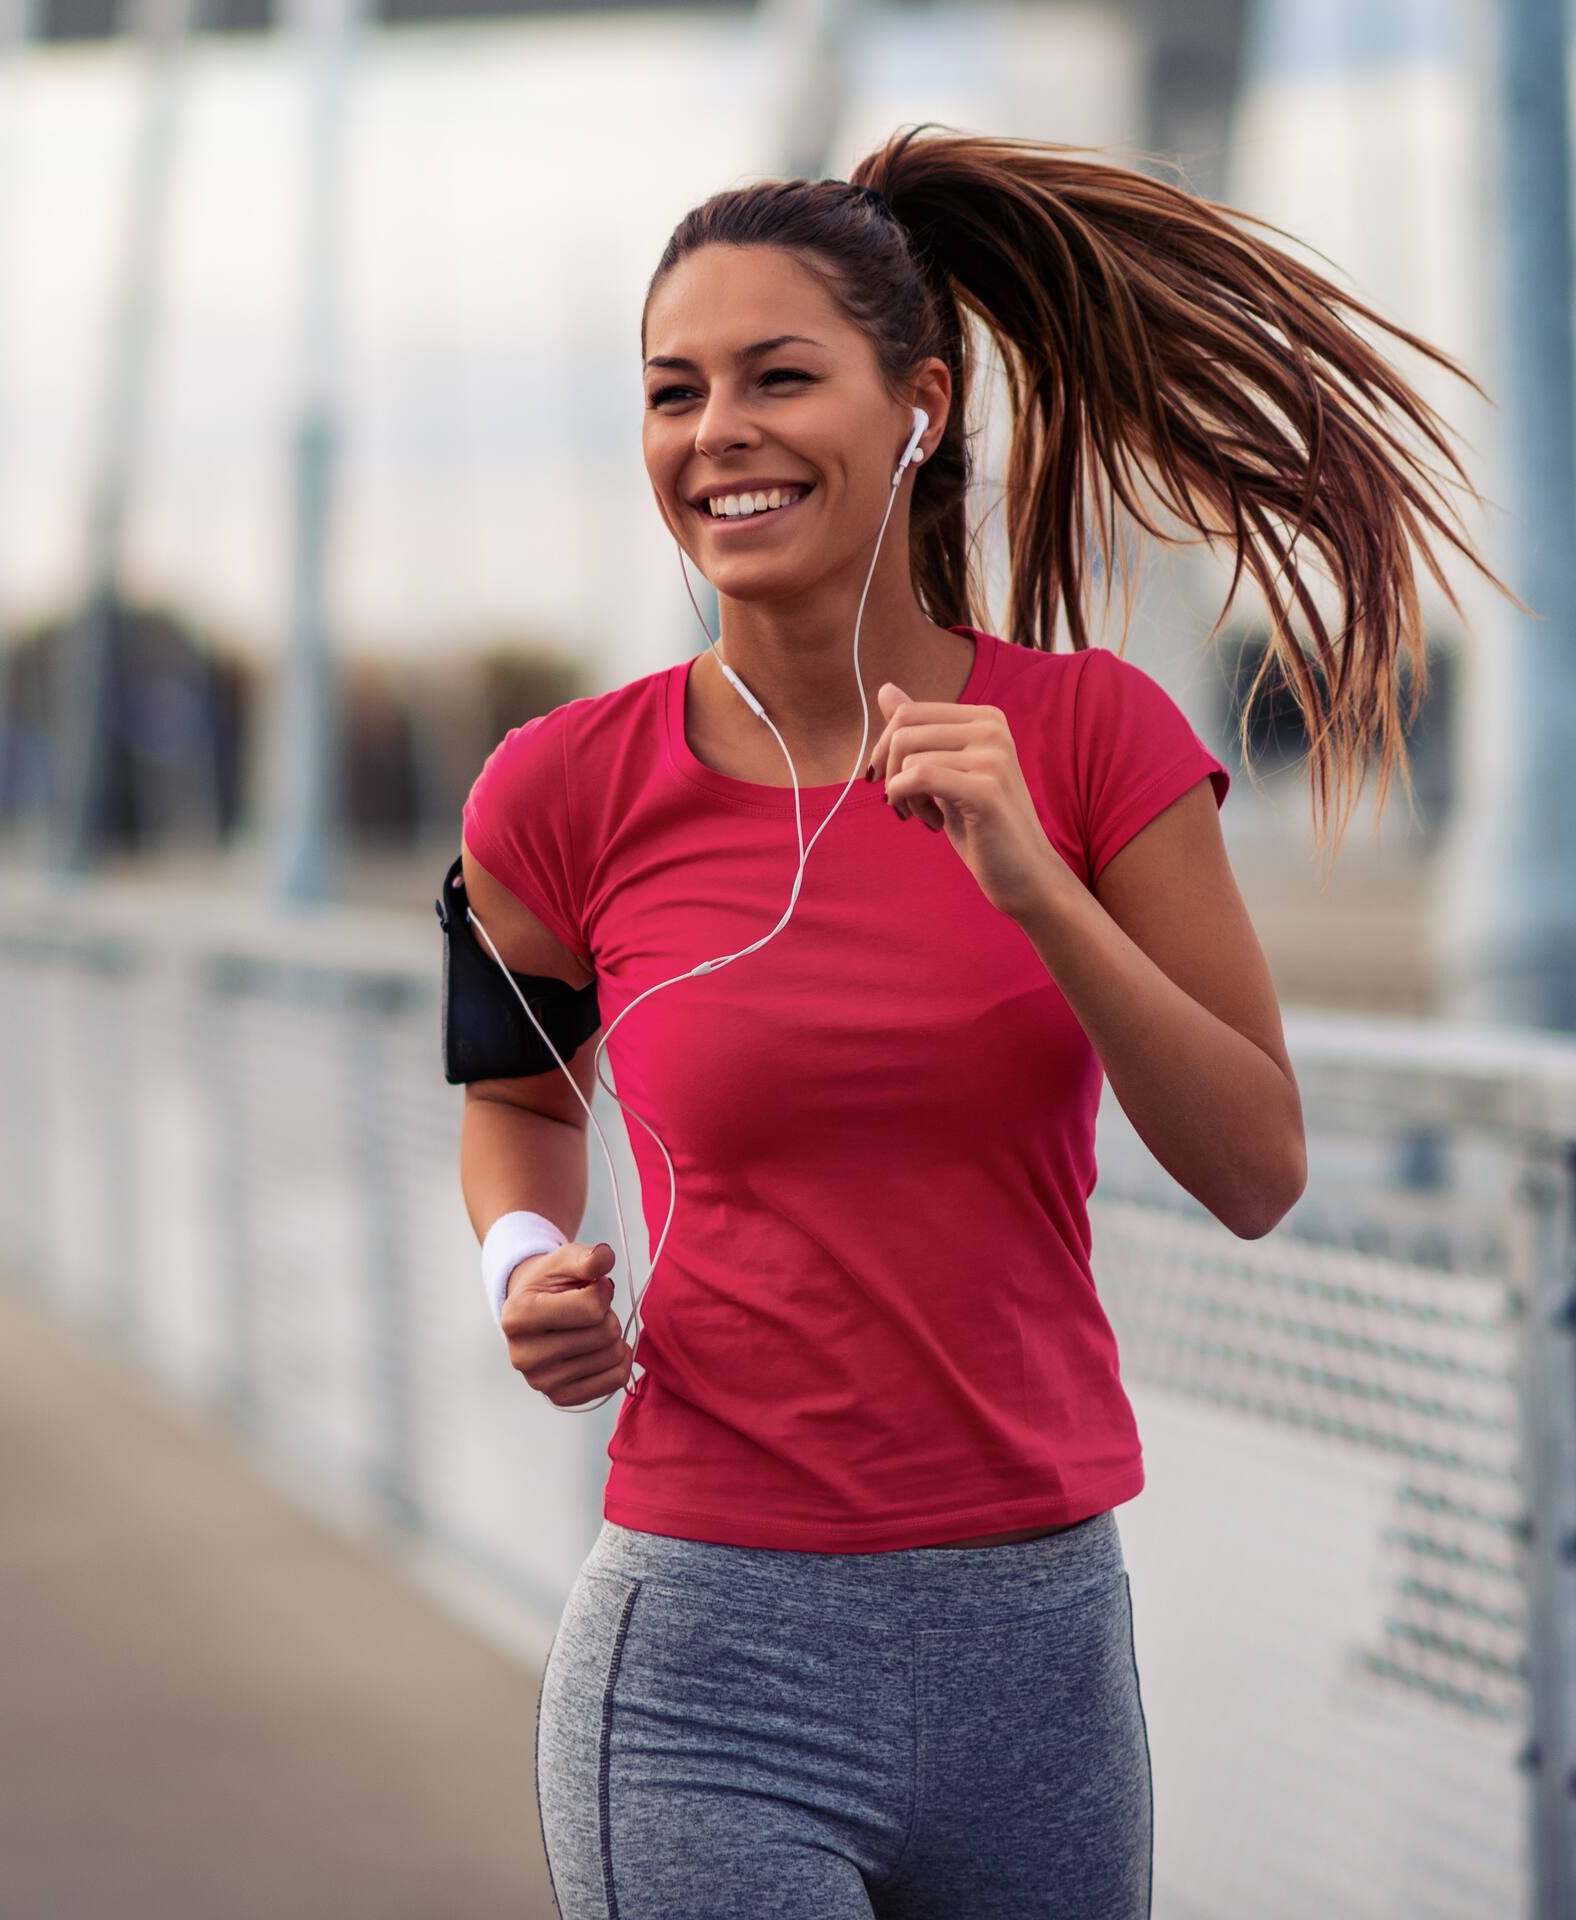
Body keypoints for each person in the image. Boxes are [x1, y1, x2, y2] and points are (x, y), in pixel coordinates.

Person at [455, 125, 1511, 1918]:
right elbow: (517, 1105)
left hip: (1043, 1658)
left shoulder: (1096, 744)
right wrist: (524, 1270)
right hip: (712, 1656)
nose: (718, 431)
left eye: (780, 377)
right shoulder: (553, 789)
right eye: (673, 390)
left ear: (918, 408)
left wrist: (1038, 881)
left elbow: (1256, 1167)